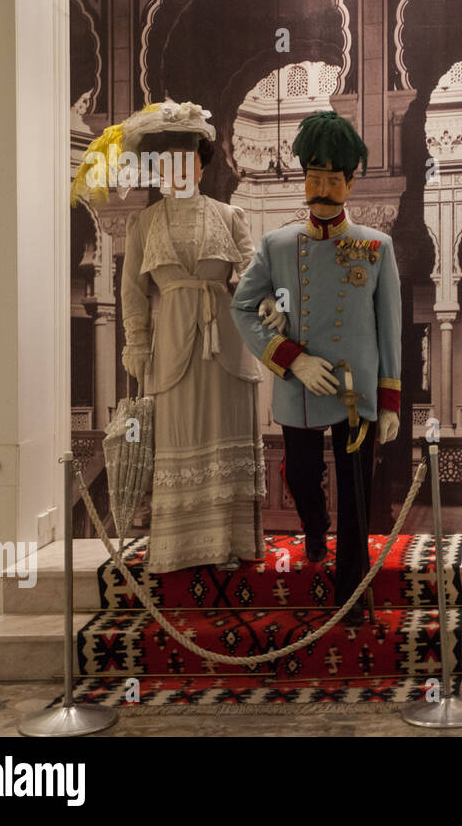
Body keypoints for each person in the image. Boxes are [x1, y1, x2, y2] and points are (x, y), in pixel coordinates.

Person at [230, 111, 401, 627]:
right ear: (303, 178)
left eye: (333, 178)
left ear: (350, 182)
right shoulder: (277, 245)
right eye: (314, 176)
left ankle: (351, 593)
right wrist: (291, 358)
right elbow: (242, 307)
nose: (322, 188)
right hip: (299, 384)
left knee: (356, 494)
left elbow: (388, 327)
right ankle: (313, 523)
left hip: (355, 390)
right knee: (304, 475)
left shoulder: (376, 246)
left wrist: (389, 400)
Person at [109, 101, 267, 573]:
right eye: (169, 158)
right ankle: (180, 549)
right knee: (179, 437)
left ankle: (232, 544)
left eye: (190, 156)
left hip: (227, 345)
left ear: (201, 162)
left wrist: (262, 298)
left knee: (225, 430)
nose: (180, 166)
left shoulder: (230, 215)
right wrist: (136, 341)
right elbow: (132, 291)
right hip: (172, 344)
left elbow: (253, 271)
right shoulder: (143, 223)